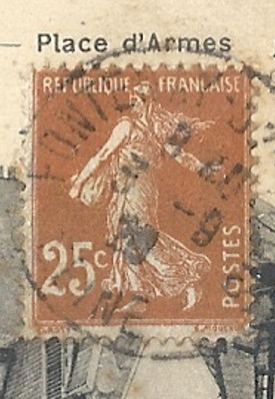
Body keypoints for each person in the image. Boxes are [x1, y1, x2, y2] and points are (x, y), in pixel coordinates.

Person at [67, 83, 216, 313]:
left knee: (140, 237)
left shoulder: (128, 126)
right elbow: (179, 155)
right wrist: (201, 168)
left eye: (136, 99)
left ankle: (187, 278)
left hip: (135, 191)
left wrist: (79, 183)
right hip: (136, 190)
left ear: (146, 102)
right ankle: (139, 295)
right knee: (127, 239)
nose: (132, 103)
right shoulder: (155, 132)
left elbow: (103, 155)